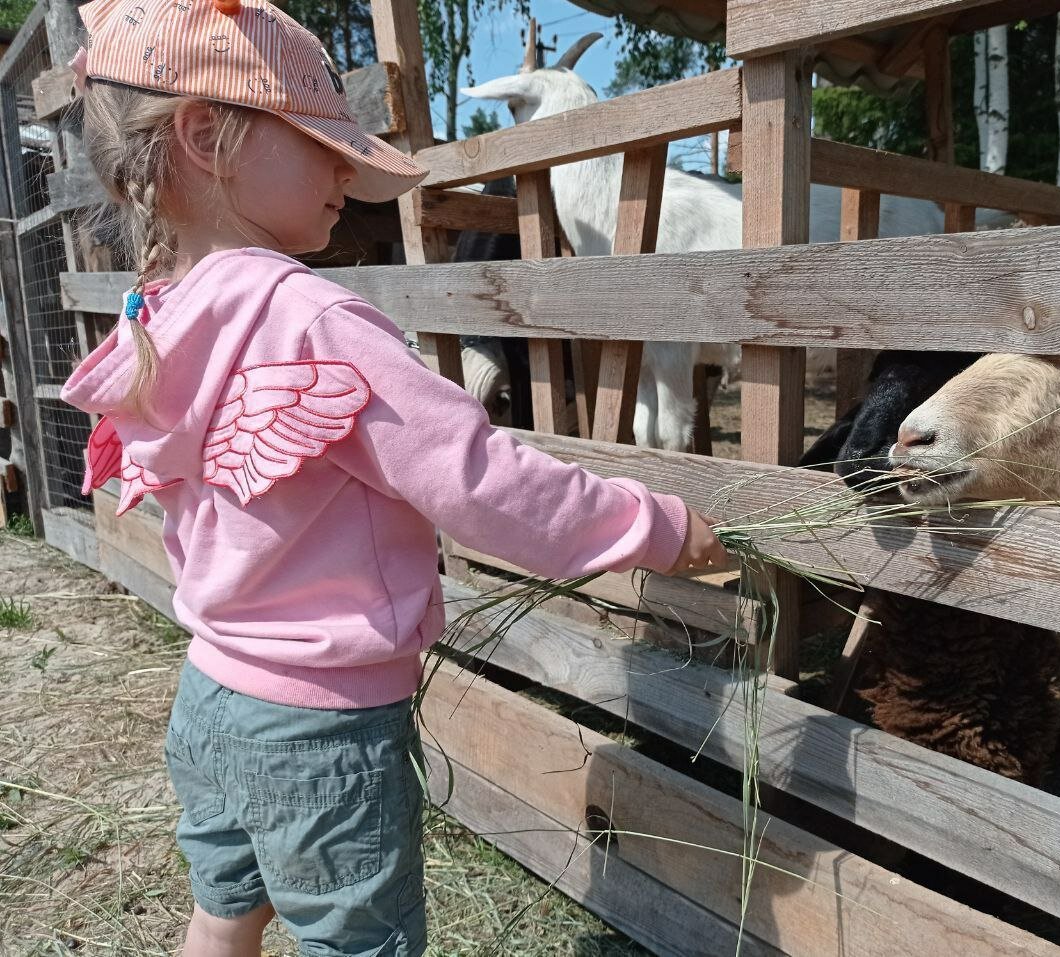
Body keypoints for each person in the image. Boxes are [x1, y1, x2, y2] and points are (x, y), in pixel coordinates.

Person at [60, 2, 727, 954]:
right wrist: (652, 526)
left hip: (211, 694)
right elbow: (477, 481)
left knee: (223, 911)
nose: (347, 172)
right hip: (322, 727)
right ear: (206, 137)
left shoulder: (161, 318)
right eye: (322, 143)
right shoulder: (312, 322)